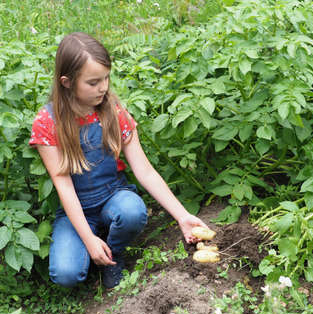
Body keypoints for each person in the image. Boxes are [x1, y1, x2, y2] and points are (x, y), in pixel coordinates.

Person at [29, 32, 208, 289]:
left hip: (114, 196)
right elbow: (64, 187)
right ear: (67, 82)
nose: (103, 87)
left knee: (132, 211)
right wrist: (89, 239)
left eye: (106, 78)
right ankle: (93, 247)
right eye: (93, 82)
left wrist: (182, 216)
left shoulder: (113, 112)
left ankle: (114, 253)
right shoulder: (48, 122)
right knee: (66, 275)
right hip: (76, 208)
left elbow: (144, 171)